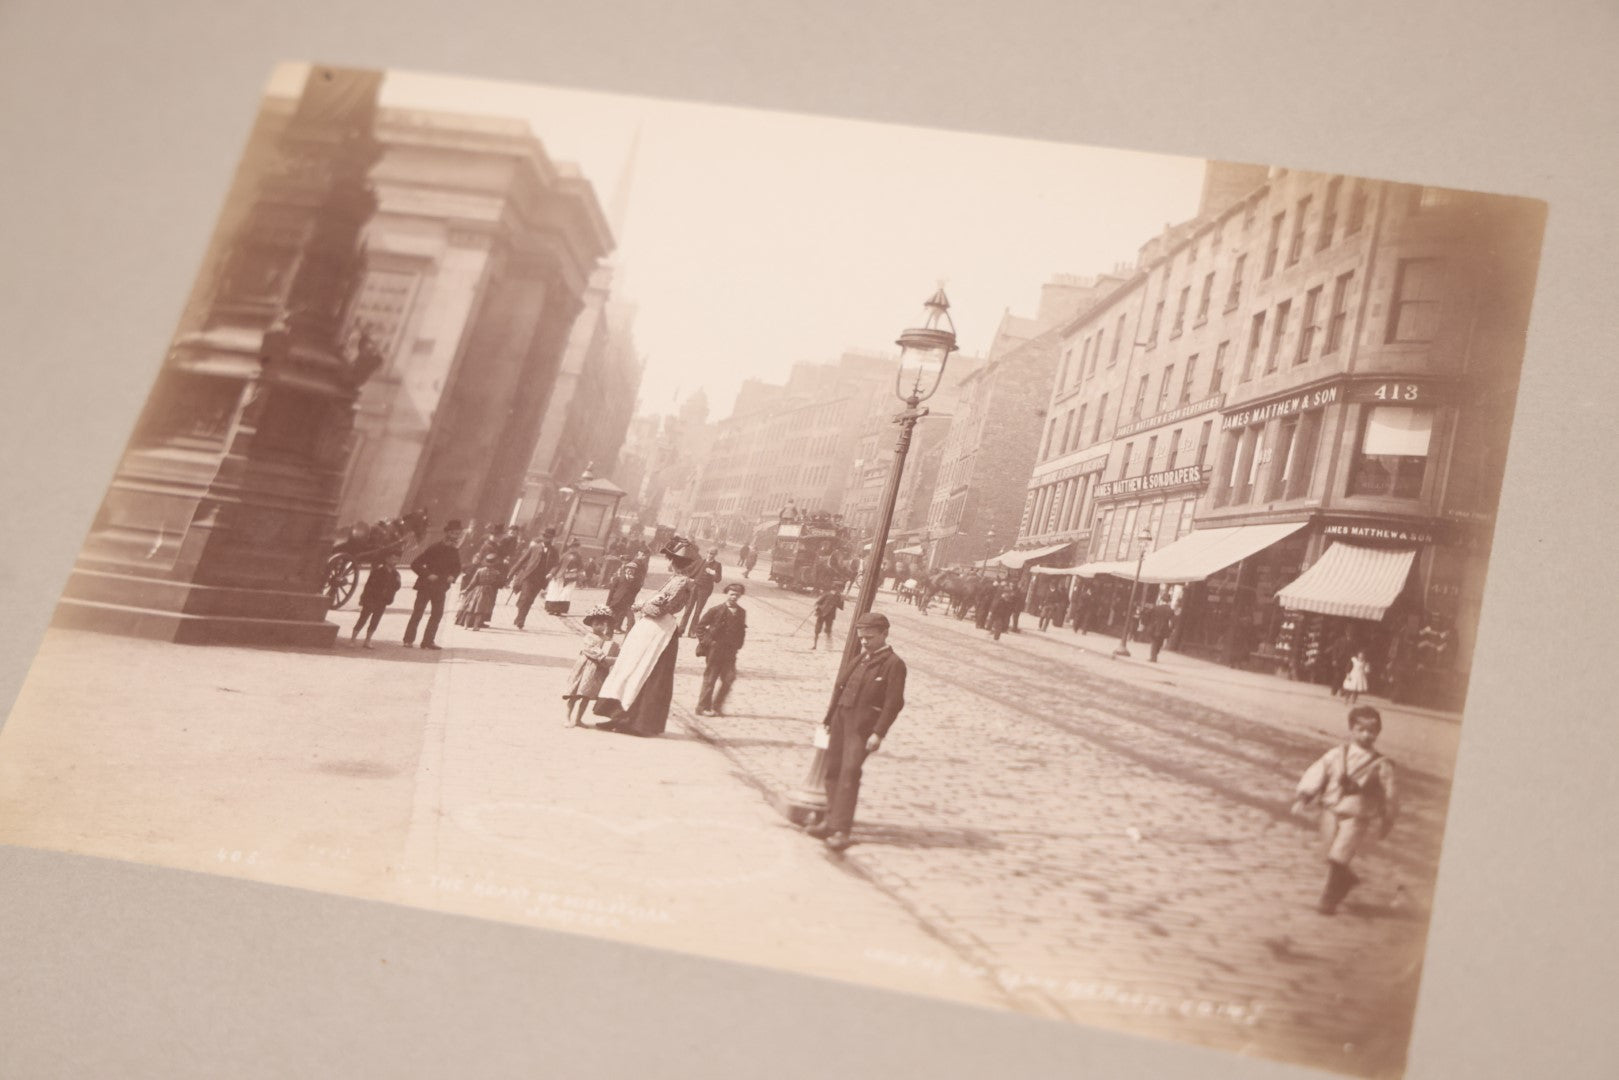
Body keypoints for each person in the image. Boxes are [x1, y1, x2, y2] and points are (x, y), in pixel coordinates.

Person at [806, 612, 907, 852]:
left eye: (869, 638)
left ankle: (842, 830)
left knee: (849, 774)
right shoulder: (860, 658)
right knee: (832, 771)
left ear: (885, 634)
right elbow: (840, 689)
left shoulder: (894, 664)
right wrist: (829, 719)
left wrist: (878, 733)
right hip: (841, 719)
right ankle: (830, 822)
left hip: (862, 727)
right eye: (861, 638)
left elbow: (894, 703)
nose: (864, 642)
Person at [1292, 706, 1399, 915]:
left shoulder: (1382, 765)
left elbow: (1391, 795)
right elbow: (1318, 772)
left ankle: (1329, 899)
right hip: (1331, 809)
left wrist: (1388, 818)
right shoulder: (1337, 754)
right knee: (1329, 852)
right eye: (1361, 729)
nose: (1367, 735)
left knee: (1339, 856)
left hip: (1357, 815)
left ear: (1378, 732)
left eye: (1372, 731)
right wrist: (1305, 796)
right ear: (1351, 729)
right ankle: (1346, 879)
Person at [592, 537, 702, 737]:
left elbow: (663, 609)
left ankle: (637, 722)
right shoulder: (674, 579)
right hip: (649, 629)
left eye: (670, 560)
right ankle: (618, 716)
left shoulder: (683, 582)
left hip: (660, 632)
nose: (668, 563)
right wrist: (646, 605)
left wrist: (641, 606)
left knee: (646, 670)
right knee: (631, 667)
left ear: (676, 562)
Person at [403, 520, 464, 650]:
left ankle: (428, 641)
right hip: (426, 586)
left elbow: (457, 568)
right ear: (447, 533)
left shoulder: (454, 551)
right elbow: (415, 564)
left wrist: (453, 576)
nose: (456, 536)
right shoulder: (435, 548)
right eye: (453, 533)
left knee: (437, 614)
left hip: (441, 588)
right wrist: (427, 574)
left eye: (458, 534)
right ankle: (408, 640)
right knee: (418, 613)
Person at [694, 582, 748, 716]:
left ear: (740, 596)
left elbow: (741, 630)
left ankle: (717, 706)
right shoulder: (716, 610)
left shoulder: (741, 612)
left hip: (731, 651)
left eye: (737, 595)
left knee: (729, 678)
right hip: (715, 649)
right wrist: (708, 641)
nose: (734, 597)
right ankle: (703, 707)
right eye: (732, 594)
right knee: (710, 678)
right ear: (727, 594)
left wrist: (738, 645)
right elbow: (700, 627)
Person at [562, 606, 620, 727]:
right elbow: (592, 651)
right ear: (592, 625)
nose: (600, 627)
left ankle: (578, 719)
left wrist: (616, 653)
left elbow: (611, 650)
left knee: (586, 696)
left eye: (603, 624)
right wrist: (605, 658)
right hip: (585, 667)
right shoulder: (589, 637)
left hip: (597, 670)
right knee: (575, 694)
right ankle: (567, 717)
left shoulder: (607, 639)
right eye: (597, 624)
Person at [350, 551, 402, 648]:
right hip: (372, 598)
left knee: (375, 620)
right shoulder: (378, 571)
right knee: (363, 618)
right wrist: (364, 597)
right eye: (393, 558)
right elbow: (369, 585)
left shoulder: (396, 574)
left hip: (383, 600)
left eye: (397, 559)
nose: (395, 561)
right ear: (387, 559)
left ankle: (368, 640)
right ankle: (353, 639)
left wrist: (397, 583)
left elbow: (397, 587)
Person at [508, 529, 557, 630]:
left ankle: (520, 617)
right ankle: (521, 620)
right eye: (546, 537)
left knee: (530, 600)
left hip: (541, 579)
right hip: (529, 576)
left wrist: (551, 573)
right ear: (543, 537)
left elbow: (556, 564)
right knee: (525, 598)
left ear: (552, 538)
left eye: (550, 537)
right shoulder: (534, 548)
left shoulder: (554, 551)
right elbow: (521, 560)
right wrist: (510, 574)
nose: (548, 539)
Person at [679, 548, 724, 636]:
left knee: (698, 611)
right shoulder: (699, 562)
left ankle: (692, 632)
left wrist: (713, 573)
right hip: (694, 587)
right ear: (706, 553)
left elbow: (718, 579)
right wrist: (680, 570)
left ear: (715, 555)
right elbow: (689, 569)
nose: (710, 555)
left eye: (712, 554)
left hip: (705, 590)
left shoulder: (717, 565)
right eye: (709, 553)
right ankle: (681, 630)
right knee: (688, 609)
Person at [456, 552, 502, 629]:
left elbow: (473, 582)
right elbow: (498, 583)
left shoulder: (480, 570)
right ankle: (475, 626)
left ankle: (466, 625)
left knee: (471, 607)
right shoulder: (496, 573)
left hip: (477, 590)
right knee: (480, 610)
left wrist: (466, 590)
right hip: (487, 592)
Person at [544, 540, 583, 615]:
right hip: (560, 576)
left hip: (571, 577)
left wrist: (578, 572)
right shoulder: (564, 555)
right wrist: (551, 573)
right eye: (572, 547)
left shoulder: (578, 557)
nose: (574, 549)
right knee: (555, 592)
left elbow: (581, 567)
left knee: (566, 593)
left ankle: (559, 610)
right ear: (570, 547)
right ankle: (551, 609)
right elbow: (557, 565)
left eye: (576, 547)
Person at [604, 562, 642, 633]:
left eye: (633, 569)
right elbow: (611, 591)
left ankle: (627, 640)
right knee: (611, 621)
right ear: (625, 569)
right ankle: (608, 637)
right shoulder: (618, 578)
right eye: (629, 568)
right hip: (616, 602)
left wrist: (633, 581)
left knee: (631, 621)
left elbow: (637, 591)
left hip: (628, 604)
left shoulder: (636, 581)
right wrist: (608, 604)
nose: (630, 570)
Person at [811, 586, 844, 650]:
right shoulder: (827, 594)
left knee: (828, 630)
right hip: (822, 614)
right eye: (840, 589)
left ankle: (828, 646)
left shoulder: (838, 597)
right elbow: (817, 603)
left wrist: (842, 600)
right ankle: (814, 645)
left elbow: (841, 607)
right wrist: (819, 608)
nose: (840, 591)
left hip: (830, 616)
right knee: (817, 630)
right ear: (836, 589)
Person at [1146, 596, 1176, 662]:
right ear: (1169, 601)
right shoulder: (1170, 610)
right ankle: (1155, 654)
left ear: (1162, 600)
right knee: (1160, 642)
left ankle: (1153, 657)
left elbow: (1148, 615)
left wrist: (1150, 623)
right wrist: (1172, 629)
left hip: (1155, 626)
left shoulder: (1156, 608)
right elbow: (1172, 621)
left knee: (1154, 641)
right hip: (1164, 628)